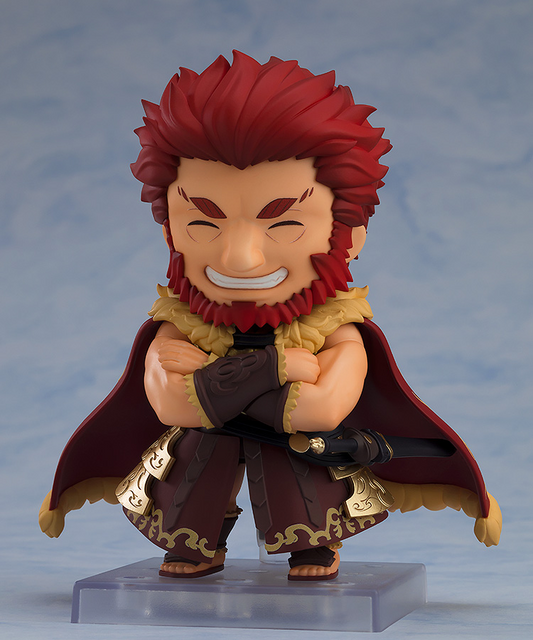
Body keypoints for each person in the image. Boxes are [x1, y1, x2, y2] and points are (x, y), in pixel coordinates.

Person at [39, 52, 501, 581]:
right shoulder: (177, 325)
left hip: (302, 458)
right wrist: (275, 369)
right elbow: (173, 405)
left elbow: (320, 411)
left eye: (283, 224)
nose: (239, 258)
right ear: (170, 232)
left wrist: (212, 382)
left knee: (295, 449)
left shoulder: (336, 330)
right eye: (203, 223)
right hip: (207, 462)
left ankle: (313, 542)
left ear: (348, 237)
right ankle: (198, 540)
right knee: (201, 444)